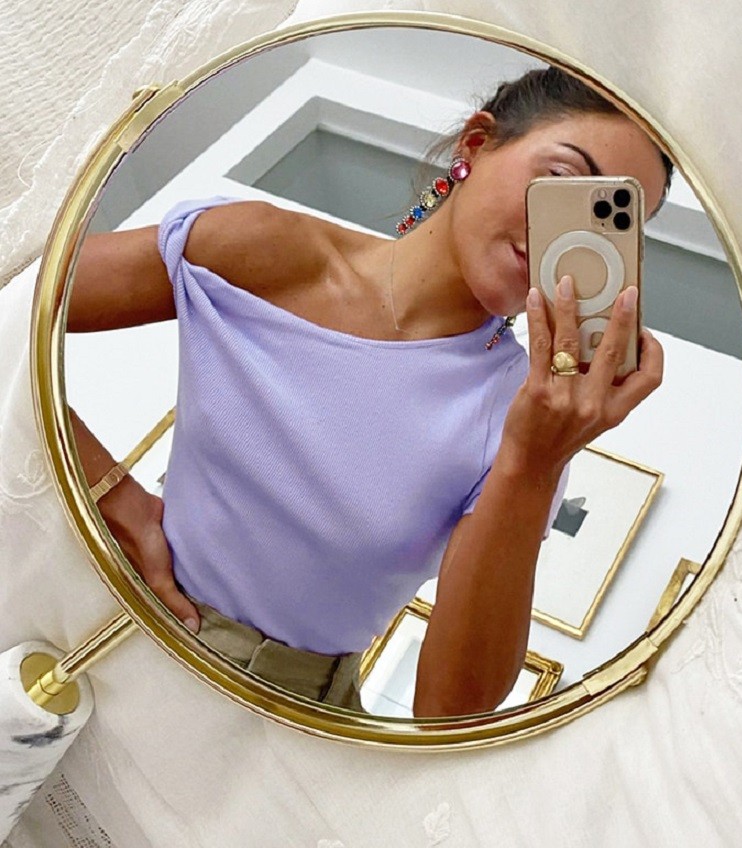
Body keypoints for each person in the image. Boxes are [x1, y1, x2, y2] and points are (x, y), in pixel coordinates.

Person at [67, 67, 671, 718]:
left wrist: (533, 460)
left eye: (607, 219)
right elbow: (18, 312)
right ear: (474, 146)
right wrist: (114, 497)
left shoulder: (524, 416)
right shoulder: (264, 251)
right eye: (559, 182)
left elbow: (448, 713)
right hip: (110, 623)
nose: (563, 234)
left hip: (300, 718)